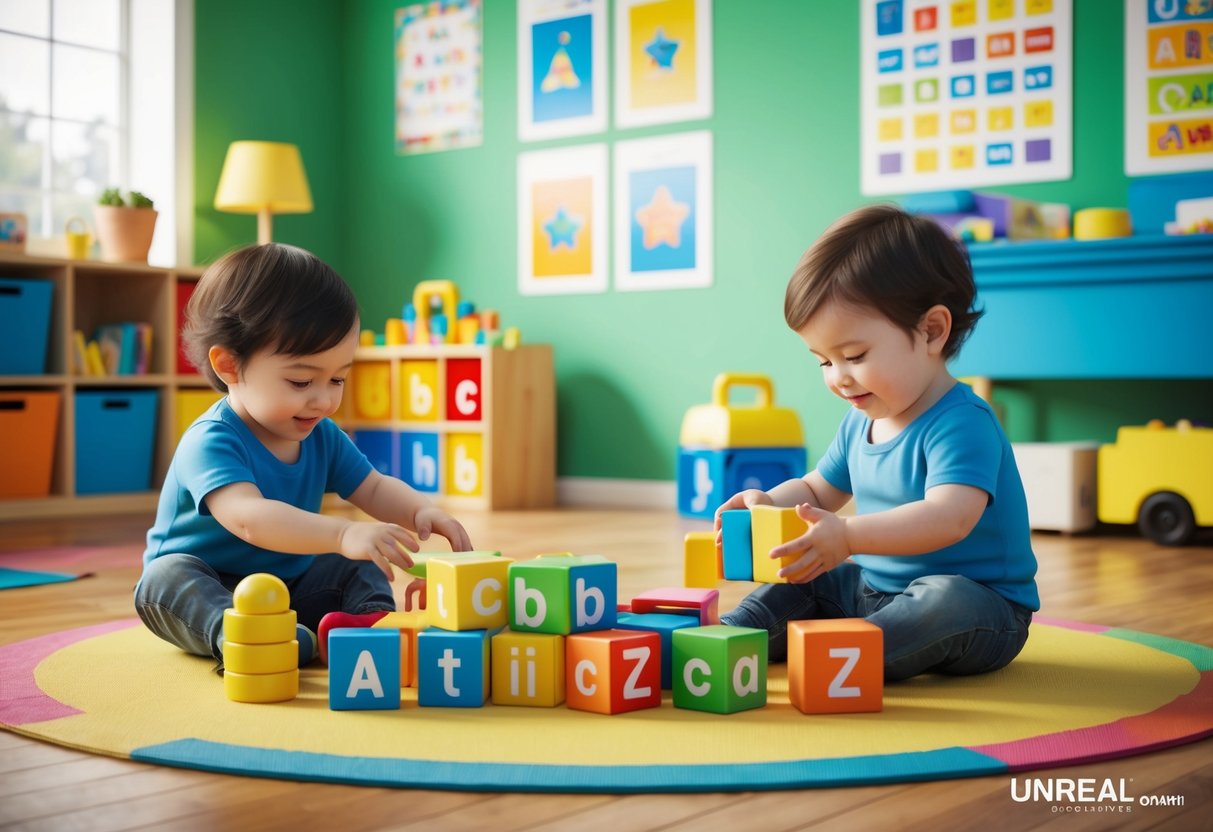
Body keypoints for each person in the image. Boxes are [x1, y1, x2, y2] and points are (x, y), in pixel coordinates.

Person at [715, 204, 1038, 681]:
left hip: (983, 609)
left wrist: (846, 537)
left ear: (931, 331)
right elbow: (817, 491)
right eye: (823, 362)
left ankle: (845, 655)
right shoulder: (859, 419)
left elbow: (949, 518)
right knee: (809, 579)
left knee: (945, 599)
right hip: (873, 588)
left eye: (854, 356)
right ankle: (731, 637)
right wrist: (767, 503)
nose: (839, 379)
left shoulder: (963, 422)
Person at [136, 243, 472, 669]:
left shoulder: (321, 435)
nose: (323, 399)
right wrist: (340, 534)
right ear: (229, 366)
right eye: (300, 381)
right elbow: (249, 518)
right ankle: (247, 637)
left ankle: (367, 627)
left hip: (289, 583)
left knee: (357, 561)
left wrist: (421, 510)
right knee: (166, 580)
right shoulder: (211, 440)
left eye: (337, 378)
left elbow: (371, 486)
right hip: (206, 584)